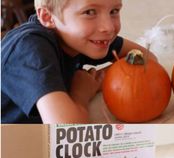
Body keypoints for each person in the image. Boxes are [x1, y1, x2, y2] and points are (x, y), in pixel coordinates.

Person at [1, 0, 156, 124]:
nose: (108, 27)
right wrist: (81, 94)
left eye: (114, 11)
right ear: (48, 17)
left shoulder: (82, 38)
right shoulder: (30, 49)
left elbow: (147, 59)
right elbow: (67, 131)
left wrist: (100, 80)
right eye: (89, 12)